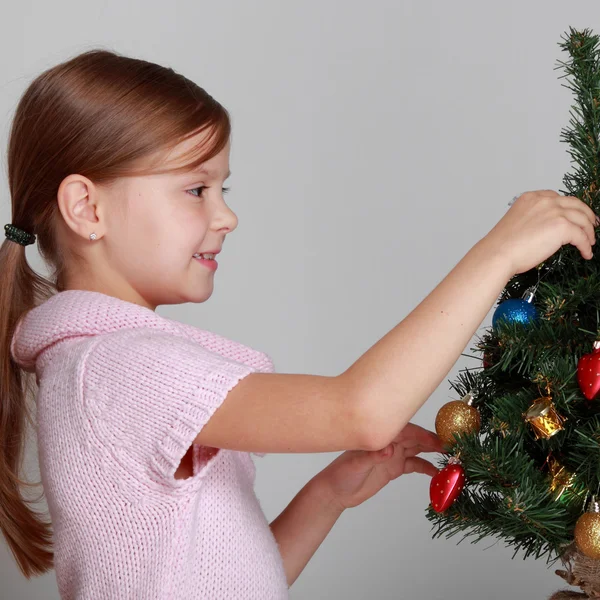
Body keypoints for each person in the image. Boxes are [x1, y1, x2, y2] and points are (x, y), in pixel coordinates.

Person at [1, 48, 598, 600]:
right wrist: (496, 255)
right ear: (87, 208)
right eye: (196, 189)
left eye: (222, 189)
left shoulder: (92, 362)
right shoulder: (119, 365)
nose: (227, 215)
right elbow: (361, 411)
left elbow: (227, 582)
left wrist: (326, 497)